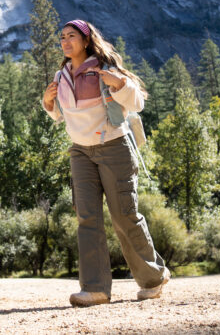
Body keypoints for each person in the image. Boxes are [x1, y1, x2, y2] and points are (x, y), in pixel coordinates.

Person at [41, 19, 169, 307]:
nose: (65, 41)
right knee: (87, 218)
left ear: (86, 41)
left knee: (124, 215)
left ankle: (153, 278)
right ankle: (95, 289)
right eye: (62, 37)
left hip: (114, 147)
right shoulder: (61, 76)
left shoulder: (105, 69)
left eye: (71, 36)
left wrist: (120, 84)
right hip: (81, 152)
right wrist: (48, 103)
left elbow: (137, 103)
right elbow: (60, 115)